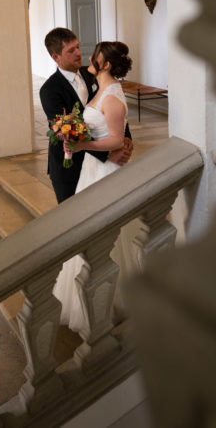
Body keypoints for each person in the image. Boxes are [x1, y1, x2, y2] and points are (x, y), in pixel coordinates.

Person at [50, 40, 137, 337]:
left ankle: (111, 299)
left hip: (105, 172)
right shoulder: (100, 88)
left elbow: (115, 138)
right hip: (91, 170)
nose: (88, 56)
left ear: (107, 64)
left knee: (106, 234)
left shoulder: (111, 97)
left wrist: (82, 144)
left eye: (95, 54)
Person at [39, 28, 132, 203]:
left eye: (78, 47)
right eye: (71, 50)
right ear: (55, 57)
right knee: (72, 218)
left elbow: (114, 111)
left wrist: (126, 139)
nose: (79, 53)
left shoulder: (93, 74)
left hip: (97, 165)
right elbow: (65, 133)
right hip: (69, 166)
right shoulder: (49, 90)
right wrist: (107, 156)